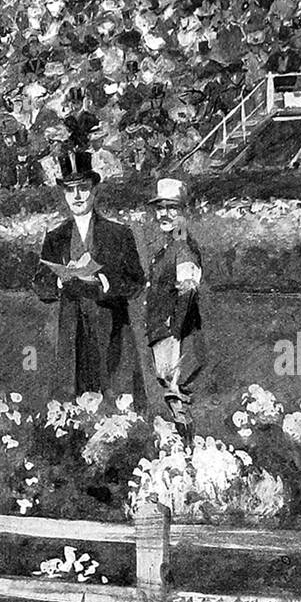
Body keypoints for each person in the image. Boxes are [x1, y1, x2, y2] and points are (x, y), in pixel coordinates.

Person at [31, 147, 154, 404]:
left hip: (112, 331)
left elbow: (136, 281)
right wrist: (58, 280)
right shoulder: (56, 237)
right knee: (73, 407)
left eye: (83, 188)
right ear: (63, 193)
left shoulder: (118, 234)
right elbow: (40, 284)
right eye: (69, 189)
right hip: (72, 333)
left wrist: (105, 282)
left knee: (120, 405)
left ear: (94, 189)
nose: (77, 196)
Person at [144, 177, 205, 439]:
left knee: (176, 394)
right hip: (164, 331)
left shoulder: (183, 245)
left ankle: (185, 450)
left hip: (174, 334)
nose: (165, 214)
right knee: (172, 396)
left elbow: (187, 292)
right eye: (161, 208)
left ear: (184, 211)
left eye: (173, 208)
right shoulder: (170, 244)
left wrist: (174, 333)